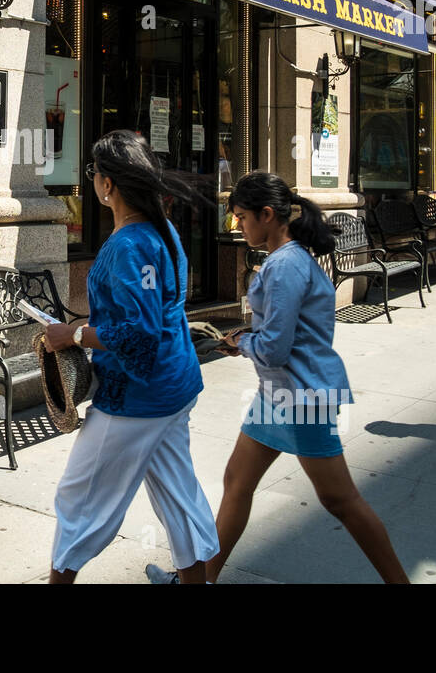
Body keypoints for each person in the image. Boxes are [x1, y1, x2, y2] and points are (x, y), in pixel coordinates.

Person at [169, 171, 408, 584]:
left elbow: (276, 348)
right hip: (281, 394)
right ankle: (201, 579)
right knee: (236, 481)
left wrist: (242, 344)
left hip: (301, 397)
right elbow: (282, 337)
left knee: (340, 500)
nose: (238, 226)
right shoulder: (292, 260)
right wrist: (246, 339)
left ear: (267, 215)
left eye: (242, 217)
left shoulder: (283, 267)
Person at [41, 129, 221, 584]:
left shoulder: (127, 245)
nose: (92, 181)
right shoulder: (164, 233)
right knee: (179, 497)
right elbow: (150, 316)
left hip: (135, 400)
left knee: (78, 503)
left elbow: (137, 333)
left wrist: (74, 334)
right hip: (174, 387)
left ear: (108, 184)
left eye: (93, 173)